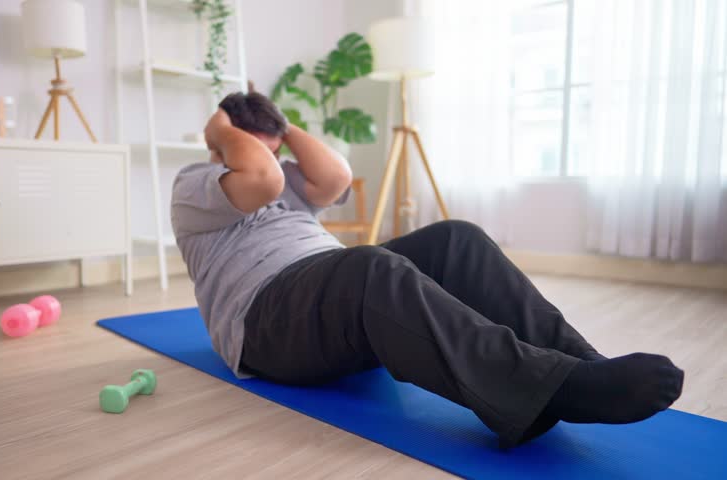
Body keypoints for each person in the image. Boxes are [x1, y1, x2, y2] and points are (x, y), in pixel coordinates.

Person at [170, 91, 684, 448]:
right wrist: (221, 129)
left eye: (271, 144)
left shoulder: (286, 176)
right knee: (370, 267)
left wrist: (281, 124)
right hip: (266, 322)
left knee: (455, 238)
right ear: (223, 144)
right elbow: (257, 175)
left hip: (326, 296)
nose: (269, 153)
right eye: (253, 143)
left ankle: (578, 362)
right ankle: (551, 390)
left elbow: (336, 174)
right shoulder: (195, 184)